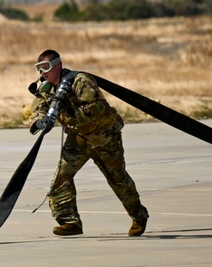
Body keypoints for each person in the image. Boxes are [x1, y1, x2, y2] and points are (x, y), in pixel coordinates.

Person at [28, 49, 148, 237]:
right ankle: (70, 222)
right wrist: (39, 121)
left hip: (104, 138)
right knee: (61, 178)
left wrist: (66, 114)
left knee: (118, 179)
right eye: (39, 69)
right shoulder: (46, 88)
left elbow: (97, 108)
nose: (43, 73)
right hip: (78, 139)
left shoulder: (80, 81)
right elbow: (39, 107)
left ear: (58, 65)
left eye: (46, 68)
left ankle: (139, 216)